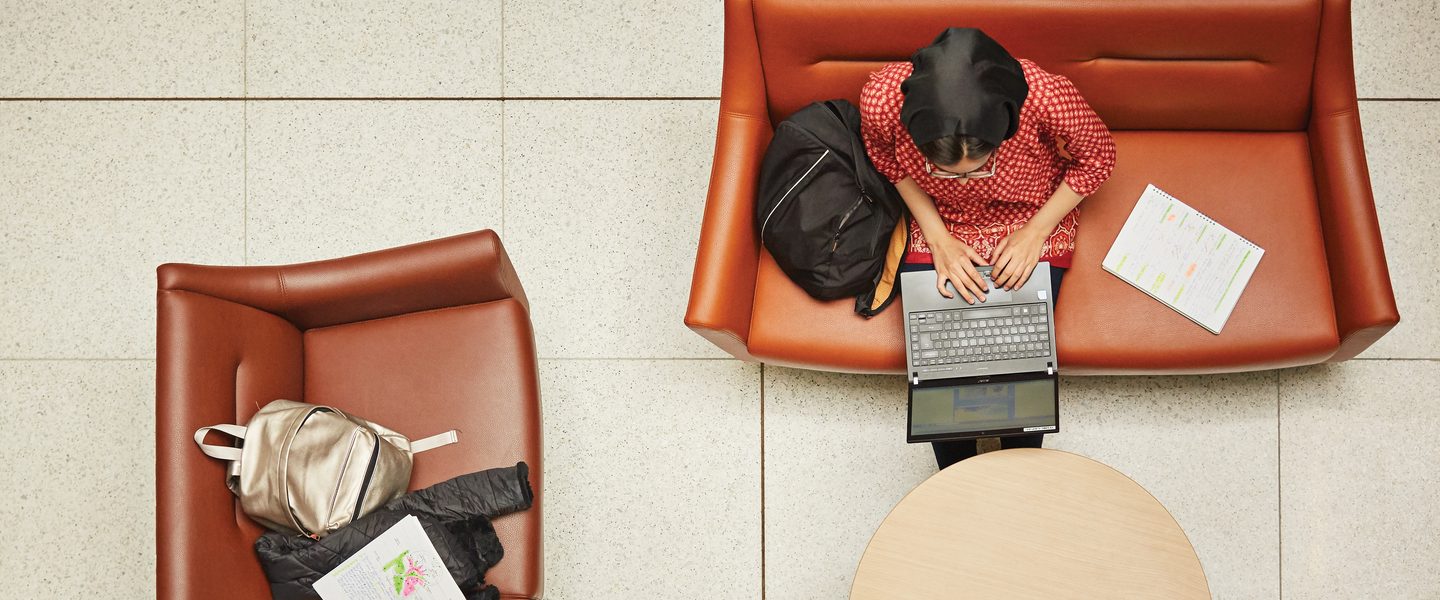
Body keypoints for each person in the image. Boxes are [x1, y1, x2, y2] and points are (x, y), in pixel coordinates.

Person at [859, 28, 1117, 470]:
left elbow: (1099, 157)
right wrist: (938, 238)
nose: (964, 180)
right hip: (940, 222)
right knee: (944, 377)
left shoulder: (1046, 96)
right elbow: (885, 161)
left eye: (977, 168)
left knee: (1019, 365)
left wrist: (1036, 232)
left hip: (1026, 216)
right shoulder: (883, 100)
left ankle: (1020, 474)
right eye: (948, 170)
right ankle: (957, 479)